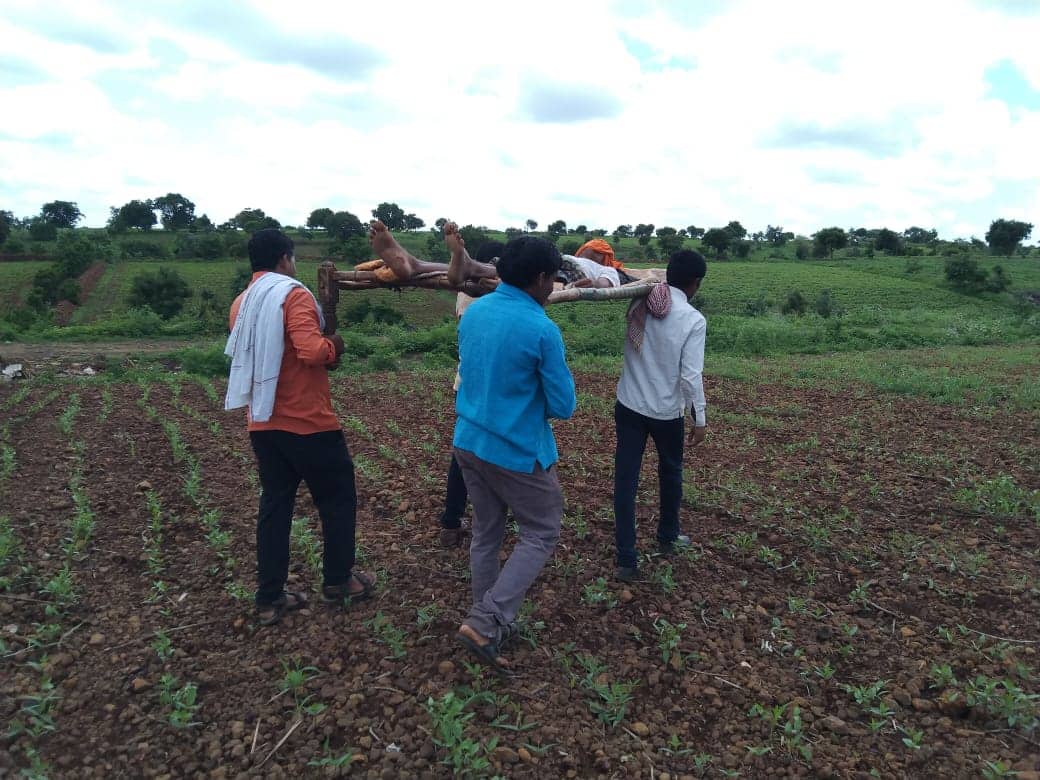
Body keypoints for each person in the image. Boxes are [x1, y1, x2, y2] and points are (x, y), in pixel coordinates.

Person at [226, 228, 374, 625]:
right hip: (308, 422)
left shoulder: (243, 302)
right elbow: (311, 351)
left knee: (275, 505)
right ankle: (339, 581)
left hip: (262, 422)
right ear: (285, 259)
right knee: (337, 500)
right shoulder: (292, 295)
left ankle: (270, 596)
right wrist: (335, 345)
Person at [451, 235, 576, 674]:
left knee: (486, 532)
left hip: (468, 440)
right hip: (516, 451)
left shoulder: (475, 311)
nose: (553, 286)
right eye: (552, 278)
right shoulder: (542, 328)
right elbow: (563, 405)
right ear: (541, 279)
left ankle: (483, 616)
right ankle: (488, 621)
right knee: (541, 529)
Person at [612, 249, 708, 582]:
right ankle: (667, 535)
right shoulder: (693, 320)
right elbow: (690, 376)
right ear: (695, 283)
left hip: (628, 406)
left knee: (626, 479)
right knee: (670, 473)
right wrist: (700, 418)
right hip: (667, 414)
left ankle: (626, 558)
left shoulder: (641, 303)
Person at [438, 239, 505, 548]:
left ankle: (451, 522)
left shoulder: (464, 292)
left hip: (465, 385)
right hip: (498, 387)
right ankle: (493, 518)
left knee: (462, 455)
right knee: (500, 453)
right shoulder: (494, 294)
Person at [367, 220, 622, 290]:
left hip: (558, 270)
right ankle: (419, 264)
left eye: (596, 255)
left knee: (500, 269)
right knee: (509, 269)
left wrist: (583, 284)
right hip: (553, 266)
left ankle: (417, 265)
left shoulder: (610, 271)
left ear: (604, 259)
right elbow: (599, 283)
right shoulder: (600, 268)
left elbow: (602, 284)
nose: (592, 258)